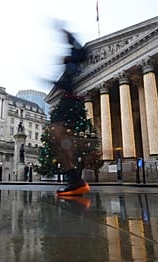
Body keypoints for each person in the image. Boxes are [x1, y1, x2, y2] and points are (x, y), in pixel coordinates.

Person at [51, 29, 90, 196]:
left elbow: (83, 52)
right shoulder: (69, 68)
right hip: (69, 102)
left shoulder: (75, 58)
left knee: (59, 139)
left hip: (70, 103)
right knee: (60, 141)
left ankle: (75, 181)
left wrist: (69, 37)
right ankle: (75, 180)